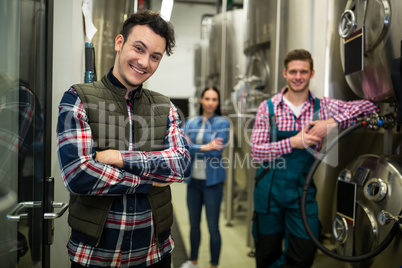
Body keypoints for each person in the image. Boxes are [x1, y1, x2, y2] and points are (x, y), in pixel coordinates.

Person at [56, 10, 191, 268]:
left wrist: (118, 158)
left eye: (155, 57)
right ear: (119, 43)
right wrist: (146, 183)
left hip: (154, 254)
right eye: (138, 48)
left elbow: (181, 165)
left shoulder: (165, 106)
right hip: (95, 256)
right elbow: (79, 175)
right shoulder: (78, 98)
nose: (144, 62)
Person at [250, 49, 380, 268]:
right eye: (293, 71)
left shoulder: (325, 107)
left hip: (302, 192)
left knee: (304, 253)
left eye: (303, 71)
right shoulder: (269, 107)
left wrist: (331, 123)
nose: (298, 76)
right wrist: (294, 142)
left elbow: (371, 108)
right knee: (267, 252)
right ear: (285, 73)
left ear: (312, 73)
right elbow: (256, 152)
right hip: (269, 192)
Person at [180, 86, 230, 268]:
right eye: (207, 99)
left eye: (214, 99)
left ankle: (214, 265)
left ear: (217, 103)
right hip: (193, 182)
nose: (210, 103)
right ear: (201, 100)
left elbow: (217, 152)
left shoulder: (223, 123)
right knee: (194, 225)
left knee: (213, 227)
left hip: (212, 184)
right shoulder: (191, 122)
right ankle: (193, 261)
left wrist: (193, 147)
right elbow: (181, 147)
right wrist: (204, 147)